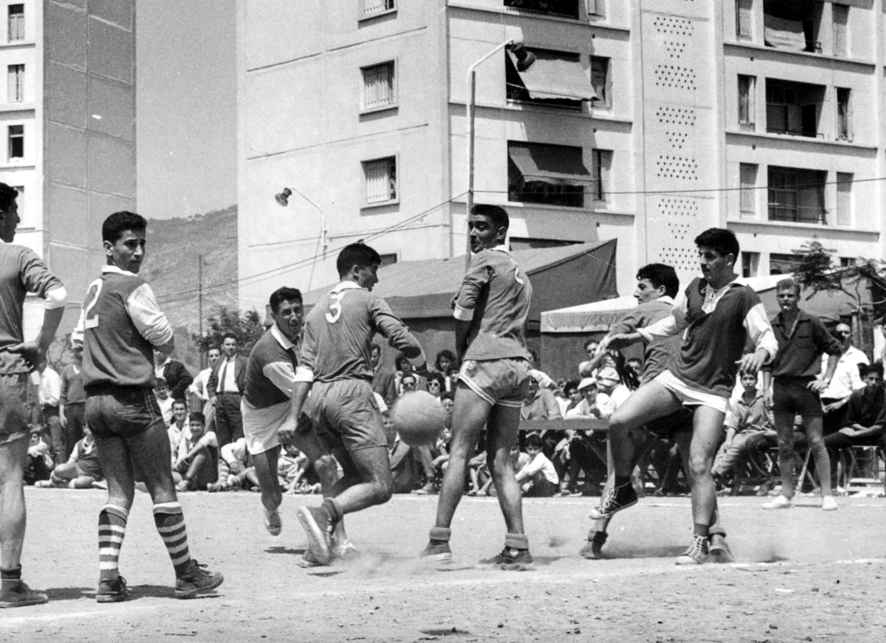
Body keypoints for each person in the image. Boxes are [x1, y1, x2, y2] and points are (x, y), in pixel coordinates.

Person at [598, 228, 778, 564]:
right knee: (619, 420)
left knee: (698, 465)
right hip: (677, 378)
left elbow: (768, 340)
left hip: (712, 392)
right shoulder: (695, 288)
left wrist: (759, 355)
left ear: (728, 258)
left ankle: (700, 543)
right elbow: (672, 324)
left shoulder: (744, 296)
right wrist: (636, 336)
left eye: (709, 256)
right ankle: (623, 488)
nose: (703, 262)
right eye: (700, 255)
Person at [74, 210, 222, 603]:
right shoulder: (133, 286)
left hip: (96, 402)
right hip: (131, 398)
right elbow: (163, 336)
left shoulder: (92, 290)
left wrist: (101, 360)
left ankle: (108, 579)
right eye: (130, 244)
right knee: (162, 486)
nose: (138, 251)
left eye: (142, 244)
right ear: (110, 247)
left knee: (117, 493)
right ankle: (187, 574)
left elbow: (76, 343)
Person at [287, 242, 427, 566]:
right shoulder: (368, 300)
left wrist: (293, 416)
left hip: (319, 399)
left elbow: (304, 370)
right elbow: (401, 337)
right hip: (352, 395)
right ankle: (323, 514)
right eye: (373, 270)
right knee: (380, 485)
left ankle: (318, 547)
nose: (375, 279)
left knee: (350, 476)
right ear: (356, 270)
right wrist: (421, 366)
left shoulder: (315, 310)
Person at [421, 203, 535, 570]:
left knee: (459, 451)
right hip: (518, 365)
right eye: (471, 227)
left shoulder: (484, 261)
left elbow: (463, 312)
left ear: (500, 232)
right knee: (501, 460)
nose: (473, 234)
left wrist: (459, 350)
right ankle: (518, 545)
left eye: (481, 227)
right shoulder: (521, 272)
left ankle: (439, 542)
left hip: (485, 361)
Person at [0, 181, 66, 608]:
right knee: (9, 479)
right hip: (5, 372)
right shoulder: (18, 256)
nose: (18, 219)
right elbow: (58, 295)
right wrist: (41, 343)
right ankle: (8, 582)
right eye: (14, 211)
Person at [241, 287, 343, 542]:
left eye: (298, 310)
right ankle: (269, 507)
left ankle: (337, 536)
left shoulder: (305, 335)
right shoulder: (270, 355)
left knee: (327, 465)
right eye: (286, 313)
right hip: (262, 418)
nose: (294, 317)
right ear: (274, 316)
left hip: (291, 406)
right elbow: (307, 393)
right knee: (273, 495)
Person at [761, 278, 843, 511]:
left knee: (816, 441)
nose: (786, 299)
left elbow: (834, 349)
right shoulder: (772, 325)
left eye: (790, 295)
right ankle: (786, 495)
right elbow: (766, 361)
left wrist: (825, 379)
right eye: (782, 295)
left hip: (806, 387)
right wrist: (765, 389)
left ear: (798, 297)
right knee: (784, 443)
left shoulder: (812, 322)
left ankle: (827, 494)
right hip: (781, 388)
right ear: (777, 297)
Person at [711, 372, 772, 484]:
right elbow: (733, 425)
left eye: (751, 379)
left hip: (760, 432)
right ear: (741, 381)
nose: (748, 382)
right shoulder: (739, 403)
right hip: (744, 433)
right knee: (725, 447)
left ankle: (716, 473)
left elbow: (772, 417)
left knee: (737, 445)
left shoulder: (763, 398)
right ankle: (713, 475)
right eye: (745, 379)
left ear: (756, 381)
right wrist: (728, 440)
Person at [824, 363, 886, 471]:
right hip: (859, 433)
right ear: (864, 379)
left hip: (879, 435)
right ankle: (834, 479)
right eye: (871, 379)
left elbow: (880, 427)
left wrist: (857, 433)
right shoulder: (856, 395)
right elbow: (850, 421)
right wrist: (860, 431)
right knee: (826, 442)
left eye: (877, 379)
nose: (874, 383)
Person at [820, 323, 869, 435]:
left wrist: (841, 403)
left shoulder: (858, 357)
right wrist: (820, 404)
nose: (842, 335)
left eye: (846, 332)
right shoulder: (824, 356)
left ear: (851, 335)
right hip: (823, 406)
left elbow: (861, 388)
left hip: (845, 406)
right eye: (839, 333)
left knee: (839, 440)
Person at [208, 333, 247, 446]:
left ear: (237, 346)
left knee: (238, 432)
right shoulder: (219, 362)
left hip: (235, 398)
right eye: (228, 344)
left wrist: (244, 398)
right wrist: (212, 396)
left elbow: (250, 382)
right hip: (219, 400)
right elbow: (210, 382)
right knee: (222, 433)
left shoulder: (244, 362)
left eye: (233, 344)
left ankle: (239, 460)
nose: (230, 347)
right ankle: (225, 460)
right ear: (222, 346)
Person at [38, 426, 103, 489]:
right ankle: (59, 481)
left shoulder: (101, 442)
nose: (90, 429)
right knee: (58, 470)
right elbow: (72, 460)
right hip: (78, 468)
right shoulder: (79, 443)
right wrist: (63, 471)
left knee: (80, 483)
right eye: (88, 427)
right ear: (84, 429)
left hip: (92, 473)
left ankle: (60, 484)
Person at [173, 412, 218, 492]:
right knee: (167, 474)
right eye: (192, 425)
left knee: (202, 451)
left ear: (204, 426)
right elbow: (181, 459)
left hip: (207, 477)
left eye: (198, 425)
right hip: (189, 475)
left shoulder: (210, 436)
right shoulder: (186, 441)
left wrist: (190, 454)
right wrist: (178, 465)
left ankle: (186, 482)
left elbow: (204, 442)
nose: (195, 428)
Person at [60, 345, 87, 460]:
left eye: (78, 351)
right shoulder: (67, 370)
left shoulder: (87, 368)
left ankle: (87, 463)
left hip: (85, 406)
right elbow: (63, 393)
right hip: (70, 408)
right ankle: (70, 464)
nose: (75, 354)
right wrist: (61, 414)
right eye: (74, 352)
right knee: (71, 438)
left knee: (86, 435)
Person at [34, 358, 63, 465]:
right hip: (44, 413)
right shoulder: (40, 377)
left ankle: (60, 470)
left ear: (44, 362)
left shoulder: (52, 375)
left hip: (53, 412)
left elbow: (56, 398)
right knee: (48, 443)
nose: (36, 366)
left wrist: (43, 402)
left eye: (38, 363)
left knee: (57, 444)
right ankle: (52, 470)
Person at [515, 433, 559, 497]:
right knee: (522, 495)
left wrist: (514, 480)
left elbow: (529, 472)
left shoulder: (541, 457)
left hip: (550, 485)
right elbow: (523, 470)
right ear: (526, 449)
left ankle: (545, 494)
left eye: (535, 449)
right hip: (540, 486)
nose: (532, 452)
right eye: (530, 449)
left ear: (541, 449)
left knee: (534, 473)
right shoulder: (531, 459)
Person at [188, 345, 220, 417]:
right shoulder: (204, 373)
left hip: (222, 404)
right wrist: (200, 396)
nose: (214, 358)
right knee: (207, 426)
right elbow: (192, 386)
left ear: (220, 357)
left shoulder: (225, 371)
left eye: (216, 355)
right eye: (211, 356)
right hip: (208, 403)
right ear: (208, 358)